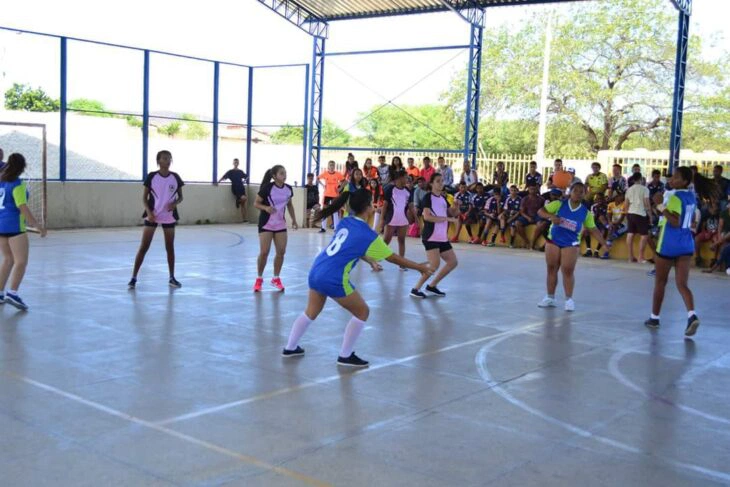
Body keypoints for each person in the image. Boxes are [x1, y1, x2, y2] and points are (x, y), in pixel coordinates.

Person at [282, 189, 432, 367]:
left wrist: (369, 261)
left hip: (317, 270)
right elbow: (392, 257)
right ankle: (345, 355)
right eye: (372, 204)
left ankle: (290, 347)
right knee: (362, 312)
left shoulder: (345, 222)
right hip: (333, 277)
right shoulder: (367, 235)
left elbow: (350, 247)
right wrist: (419, 268)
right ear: (368, 208)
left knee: (311, 312)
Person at [644, 166, 720, 336]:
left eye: (676, 178)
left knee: (660, 283)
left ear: (685, 181)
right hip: (686, 243)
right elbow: (690, 219)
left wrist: (659, 205)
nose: (671, 180)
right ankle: (692, 315)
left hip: (669, 243)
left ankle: (654, 318)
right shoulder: (691, 197)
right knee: (682, 284)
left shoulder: (676, 197)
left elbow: (675, 221)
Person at [537, 182, 610, 312]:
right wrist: (551, 216)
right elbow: (541, 211)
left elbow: (593, 229)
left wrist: (604, 243)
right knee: (551, 269)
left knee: (567, 271)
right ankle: (550, 297)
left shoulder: (586, 213)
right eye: (575, 191)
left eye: (581, 191)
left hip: (571, 243)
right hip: (553, 240)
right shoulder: (559, 204)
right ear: (570, 192)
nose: (578, 193)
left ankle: (569, 300)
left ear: (585, 194)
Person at [129, 150, 184, 290]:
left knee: (170, 247)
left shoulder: (175, 177)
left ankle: (172, 277)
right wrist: (149, 212)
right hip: (153, 215)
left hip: (169, 216)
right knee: (144, 247)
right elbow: (144, 197)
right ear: (158, 161)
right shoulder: (152, 176)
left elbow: (181, 197)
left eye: (169, 158)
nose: (168, 160)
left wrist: (175, 204)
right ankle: (133, 277)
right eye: (165, 158)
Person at [0, 153, 47, 310]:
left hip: (1, 226)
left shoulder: (1, 183)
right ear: (22, 167)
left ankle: (0, 293)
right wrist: (37, 225)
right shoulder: (17, 184)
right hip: (15, 227)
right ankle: (12, 293)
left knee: (7, 260)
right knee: (21, 261)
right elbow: (22, 206)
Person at [410, 173, 459, 298]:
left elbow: (452, 213)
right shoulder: (428, 197)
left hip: (442, 237)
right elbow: (427, 216)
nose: (441, 183)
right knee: (434, 265)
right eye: (438, 181)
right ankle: (415, 289)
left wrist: (456, 206)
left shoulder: (443, 198)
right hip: (431, 236)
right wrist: (446, 218)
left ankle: (432, 286)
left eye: (442, 181)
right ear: (431, 183)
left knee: (452, 262)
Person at [253, 165, 299, 292]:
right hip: (266, 223)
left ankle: (276, 278)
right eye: (281, 173)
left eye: (285, 173)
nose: (284, 175)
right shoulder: (267, 188)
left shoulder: (288, 189)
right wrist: (266, 208)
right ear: (274, 176)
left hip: (280, 224)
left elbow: (289, 205)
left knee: (281, 252)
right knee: (264, 252)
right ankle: (259, 278)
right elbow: (256, 203)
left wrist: (294, 220)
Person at [379, 169, 414, 268]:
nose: (407, 179)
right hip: (391, 219)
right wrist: (382, 219)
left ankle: (401, 263)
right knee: (386, 241)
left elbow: (411, 206)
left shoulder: (407, 191)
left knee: (401, 240)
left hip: (403, 219)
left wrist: (415, 218)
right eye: (406, 177)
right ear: (400, 178)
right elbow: (385, 205)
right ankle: (376, 260)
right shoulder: (390, 189)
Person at [624, 173, 652, 263]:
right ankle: (640, 257)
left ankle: (630, 257)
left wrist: (627, 213)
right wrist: (650, 215)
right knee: (644, 235)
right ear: (641, 178)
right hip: (640, 213)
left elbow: (626, 204)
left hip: (630, 213)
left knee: (630, 234)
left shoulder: (629, 189)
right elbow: (647, 203)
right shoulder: (645, 189)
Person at [515, 184, 547, 250]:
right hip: (527, 216)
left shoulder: (541, 199)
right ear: (528, 189)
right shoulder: (525, 199)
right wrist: (528, 218)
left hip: (537, 216)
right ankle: (526, 241)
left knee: (542, 224)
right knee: (517, 223)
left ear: (537, 189)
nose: (533, 190)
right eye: (531, 189)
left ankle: (533, 242)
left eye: (534, 189)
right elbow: (521, 212)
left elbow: (543, 210)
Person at [217, 158, 248, 222]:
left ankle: (244, 219)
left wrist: (244, 180)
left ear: (238, 163)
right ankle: (238, 200)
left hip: (241, 187)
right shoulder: (230, 171)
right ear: (233, 163)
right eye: (235, 162)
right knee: (244, 198)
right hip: (235, 188)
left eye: (237, 162)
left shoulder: (240, 171)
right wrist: (218, 182)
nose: (236, 163)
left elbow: (246, 176)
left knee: (243, 204)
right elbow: (224, 176)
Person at [318, 161, 344, 233]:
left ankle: (336, 228)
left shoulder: (337, 174)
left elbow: (345, 181)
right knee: (325, 210)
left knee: (335, 211)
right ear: (328, 166)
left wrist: (340, 188)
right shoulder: (325, 173)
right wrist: (323, 185)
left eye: (333, 165)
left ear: (334, 166)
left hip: (335, 195)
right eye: (330, 165)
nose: (331, 167)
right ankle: (323, 228)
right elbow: (318, 178)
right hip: (327, 194)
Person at [694, 202, 720, 267]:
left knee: (716, 240)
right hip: (707, 232)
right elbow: (703, 225)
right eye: (713, 207)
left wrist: (714, 233)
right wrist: (705, 232)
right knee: (697, 239)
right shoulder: (706, 214)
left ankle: (714, 259)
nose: (714, 208)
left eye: (716, 207)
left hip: (715, 233)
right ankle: (698, 257)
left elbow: (719, 227)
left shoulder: (719, 215)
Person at [586, 193, 610, 258]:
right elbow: (592, 218)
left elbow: (606, 217)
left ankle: (597, 251)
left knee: (604, 231)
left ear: (603, 199)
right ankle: (589, 250)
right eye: (597, 199)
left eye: (600, 199)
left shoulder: (606, 206)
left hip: (602, 224)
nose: (599, 200)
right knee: (586, 230)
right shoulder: (593, 206)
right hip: (595, 222)